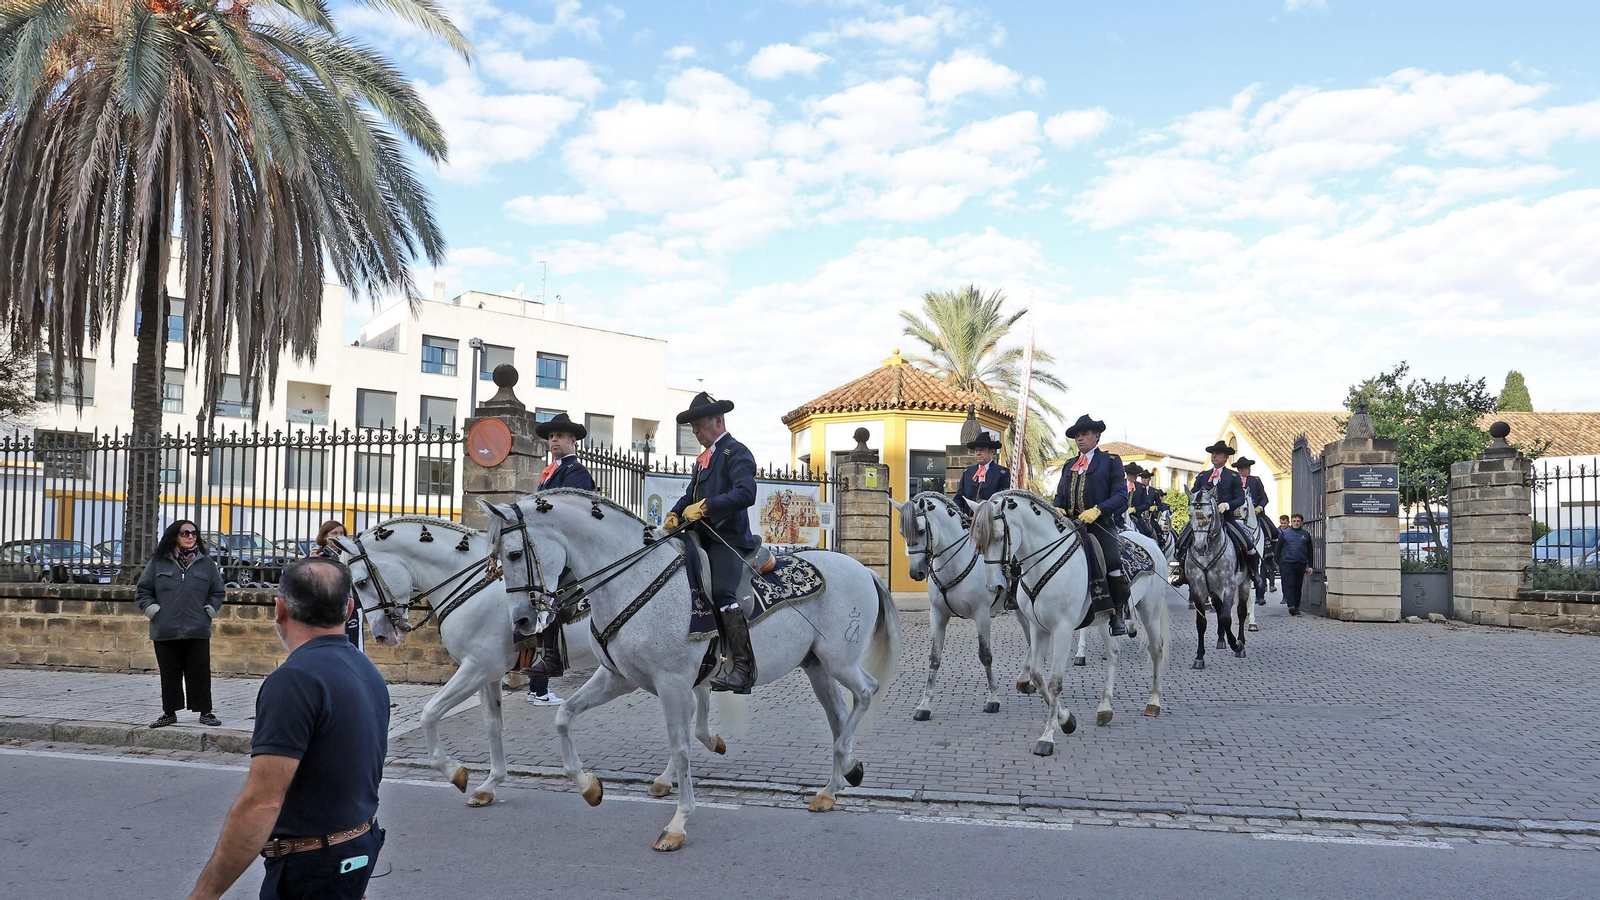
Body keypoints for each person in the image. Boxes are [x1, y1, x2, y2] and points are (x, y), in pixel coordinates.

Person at [186, 557, 389, 900]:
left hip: (311, 870)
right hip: (355, 849)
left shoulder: (294, 681)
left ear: (280, 608)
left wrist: (203, 894)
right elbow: (358, 776)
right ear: (349, 609)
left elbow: (261, 803)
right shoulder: (366, 669)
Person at [664, 391, 759, 694]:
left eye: (699, 425)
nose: (695, 431)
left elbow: (746, 493)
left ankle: (742, 668)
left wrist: (706, 508)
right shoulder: (703, 460)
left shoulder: (736, 452)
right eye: (692, 426)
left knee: (721, 592)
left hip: (727, 538)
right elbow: (689, 495)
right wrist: (675, 512)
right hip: (698, 538)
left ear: (717, 422)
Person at [518, 412, 596, 705]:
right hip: (547, 547)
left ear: (573, 440)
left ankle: (542, 681)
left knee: (548, 600)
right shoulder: (550, 472)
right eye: (551, 436)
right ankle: (534, 682)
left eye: (559, 436)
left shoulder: (576, 472)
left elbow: (568, 511)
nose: (553, 440)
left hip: (567, 548)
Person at [137, 520, 227, 729]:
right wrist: (154, 611)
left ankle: (205, 712)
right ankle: (169, 712)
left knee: (200, 672)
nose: (190, 536)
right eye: (185, 533)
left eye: (194, 533)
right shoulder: (158, 563)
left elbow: (217, 591)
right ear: (174, 536)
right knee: (169, 672)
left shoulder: (206, 564)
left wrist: (209, 610)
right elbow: (143, 592)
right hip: (165, 628)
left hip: (197, 628)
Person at [1052, 414, 1131, 636]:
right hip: (1070, 524)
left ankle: (1117, 614)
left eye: (1084, 434)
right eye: (1077, 435)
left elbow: (1121, 496)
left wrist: (1098, 510)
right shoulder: (1069, 464)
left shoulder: (1111, 461)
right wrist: (1057, 508)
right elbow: (1060, 495)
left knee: (1113, 563)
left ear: (1096, 436)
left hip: (1100, 525)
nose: (1080, 438)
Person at [1171, 442, 1259, 587]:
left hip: (1226, 518)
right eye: (1213, 454)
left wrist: (1226, 505)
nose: (1214, 456)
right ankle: (1183, 572)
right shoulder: (1203, 476)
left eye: (1218, 454)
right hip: (1203, 519)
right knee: (1182, 541)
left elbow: (1240, 498)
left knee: (1248, 545)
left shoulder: (1233, 476)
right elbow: (1193, 494)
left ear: (1226, 457)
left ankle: (1254, 573)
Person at [308, 520, 359, 649]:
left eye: (341, 533)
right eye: (334, 533)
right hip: (324, 604)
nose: (338, 536)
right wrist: (311, 561)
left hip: (349, 604)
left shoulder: (350, 554)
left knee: (353, 642)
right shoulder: (317, 555)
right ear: (325, 536)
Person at [1235, 457, 1271, 605]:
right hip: (1236, 514)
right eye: (1244, 468)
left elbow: (1264, 498)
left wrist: (1259, 508)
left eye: (1248, 468)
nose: (1247, 470)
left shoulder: (1255, 480)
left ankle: (1270, 555)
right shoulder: (1233, 481)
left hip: (1254, 513)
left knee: (1272, 529)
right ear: (1239, 470)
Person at [954, 430, 1011, 514]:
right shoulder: (967, 472)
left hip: (990, 519)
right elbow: (959, 498)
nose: (978, 453)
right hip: (967, 519)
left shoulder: (1002, 473)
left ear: (992, 452)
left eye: (981, 450)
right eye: (976, 451)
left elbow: (1002, 500)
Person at [1277, 514, 1315, 616]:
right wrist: (1278, 564)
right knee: (1289, 584)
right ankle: (1291, 605)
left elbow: (1310, 551)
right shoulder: (1284, 534)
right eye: (1294, 521)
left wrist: (1310, 565)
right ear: (1291, 522)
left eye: (1298, 521)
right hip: (1287, 563)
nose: (1296, 523)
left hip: (1301, 563)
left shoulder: (1306, 534)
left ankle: (1297, 606)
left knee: (1298, 586)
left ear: (1301, 522)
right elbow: (1278, 550)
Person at [1125, 463, 1159, 541]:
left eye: (1136, 474)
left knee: (1147, 533)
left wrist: (1135, 509)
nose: (1136, 476)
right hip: (1119, 515)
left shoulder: (1141, 487)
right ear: (1128, 474)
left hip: (1135, 516)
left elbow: (1147, 504)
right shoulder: (1120, 484)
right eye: (1134, 474)